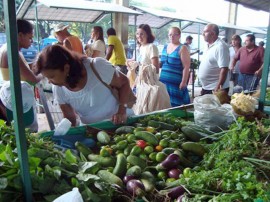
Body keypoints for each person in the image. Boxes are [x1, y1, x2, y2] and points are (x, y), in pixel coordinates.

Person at [34, 45, 134, 126]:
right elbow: (70, 118)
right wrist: (66, 130)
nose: (50, 82)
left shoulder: (97, 66)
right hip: (93, 131)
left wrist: (122, 111)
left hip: (121, 124)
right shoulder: (58, 88)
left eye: (51, 77)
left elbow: (124, 82)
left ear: (66, 68)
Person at [0, 19, 43, 84]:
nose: (32, 41)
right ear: (20, 35)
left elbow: (23, 69)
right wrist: (43, 74)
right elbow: (33, 79)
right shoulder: (12, 52)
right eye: (30, 38)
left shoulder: (9, 48)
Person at [160, 27, 191, 107]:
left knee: (176, 106)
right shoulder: (165, 46)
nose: (172, 37)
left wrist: (184, 82)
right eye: (170, 35)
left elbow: (186, 67)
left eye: (175, 35)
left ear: (179, 36)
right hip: (163, 82)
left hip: (176, 84)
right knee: (163, 105)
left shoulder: (182, 48)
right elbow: (161, 63)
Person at [198, 23, 230, 95]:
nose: (203, 34)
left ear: (212, 33)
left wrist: (218, 87)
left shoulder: (221, 47)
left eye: (205, 32)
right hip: (207, 87)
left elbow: (224, 69)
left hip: (215, 88)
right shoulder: (207, 45)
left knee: (214, 106)